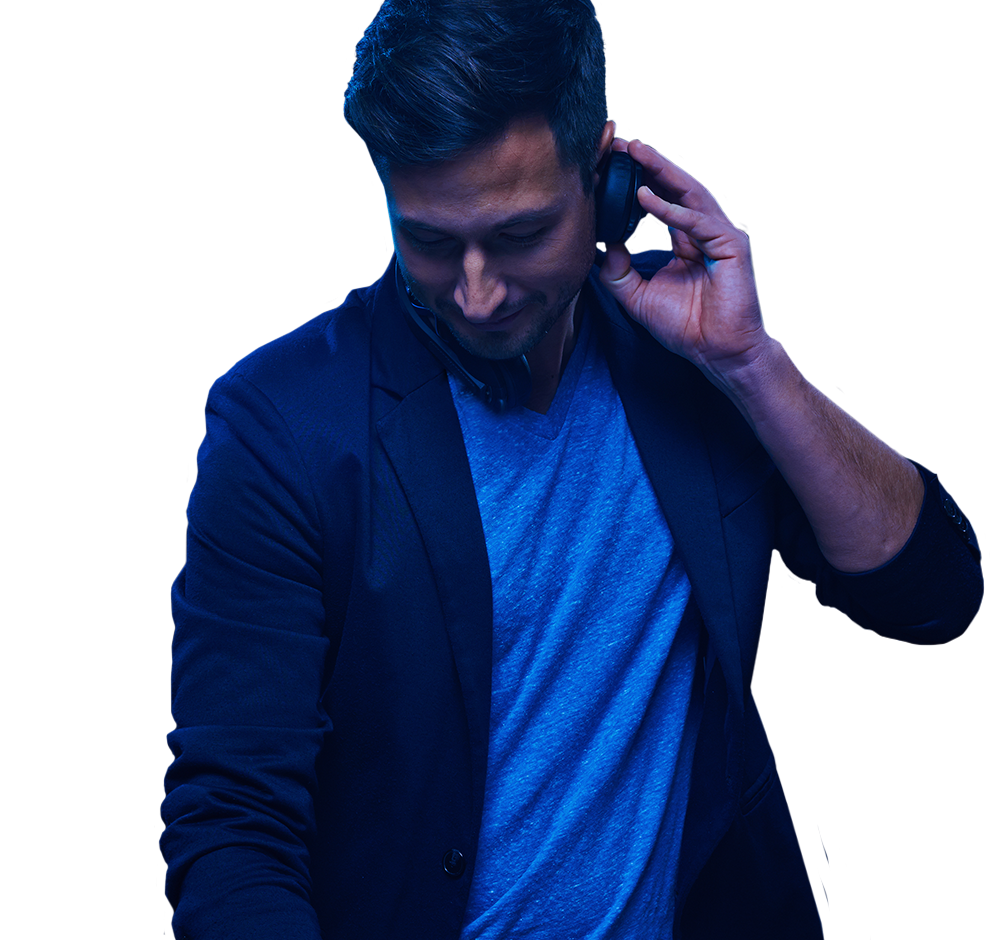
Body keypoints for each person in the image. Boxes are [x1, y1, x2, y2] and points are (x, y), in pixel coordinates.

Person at [159, 2, 984, 938]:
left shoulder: (689, 367)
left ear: (606, 180)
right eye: (430, 241)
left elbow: (932, 597)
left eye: (519, 235)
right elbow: (231, 826)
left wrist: (752, 364)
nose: (477, 293)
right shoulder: (281, 429)